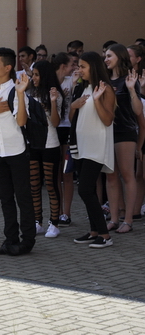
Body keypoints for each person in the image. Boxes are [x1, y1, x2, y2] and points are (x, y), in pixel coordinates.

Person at [0, 47, 35, 256]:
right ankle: (10, 239)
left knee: (23, 197)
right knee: (5, 198)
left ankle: (27, 241)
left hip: (17, 151)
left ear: (8, 67)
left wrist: (21, 94)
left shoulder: (16, 89)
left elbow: (21, 121)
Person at [70, 52, 115, 248]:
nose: (79, 70)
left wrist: (96, 100)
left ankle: (105, 235)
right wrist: (73, 105)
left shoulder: (106, 89)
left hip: (96, 147)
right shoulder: (83, 87)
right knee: (87, 190)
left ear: (93, 67)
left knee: (85, 190)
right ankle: (94, 231)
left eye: (83, 66)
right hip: (82, 146)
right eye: (78, 66)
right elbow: (73, 117)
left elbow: (107, 120)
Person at [104, 44, 142, 233]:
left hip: (125, 132)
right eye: (105, 56)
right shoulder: (104, 80)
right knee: (110, 176)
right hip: (106, 132)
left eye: (109, 56)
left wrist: (132, 90)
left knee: (127, 175)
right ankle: (114, 218)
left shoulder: (129, 79)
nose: (106, 59)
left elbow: (138, 111)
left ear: (119, 57)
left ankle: (128, 220)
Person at [28, 60, 65, 238]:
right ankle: (37, 221)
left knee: (51, 184)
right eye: (33, 74)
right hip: (33, 144)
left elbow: (56, 123)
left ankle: (54, 223)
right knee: (34, 184)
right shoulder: (29, 93)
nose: (33, 78)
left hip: (50, 144)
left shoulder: (55, 94)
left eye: (36, 75)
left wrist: (52, 102)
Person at [52, 52, 78, 226]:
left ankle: (66, 213)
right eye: (72, 64)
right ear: (63, 66)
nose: (75, 67)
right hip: (53, 129)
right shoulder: (50, 81)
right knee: (55, 173)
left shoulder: (72, 81)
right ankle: (57, 211)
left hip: (68, 128)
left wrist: (74, 87)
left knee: (67, 172)